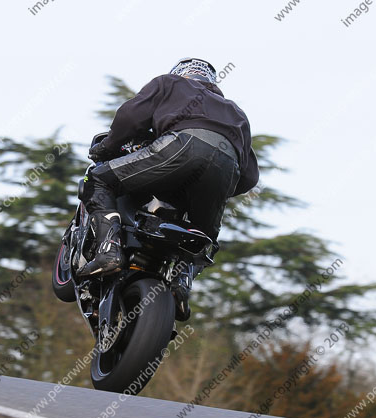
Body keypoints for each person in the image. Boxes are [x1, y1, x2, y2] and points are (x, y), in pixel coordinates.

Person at [79, 58, 260, 318]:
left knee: (98, 179)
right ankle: (181, 283)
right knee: (203, 238)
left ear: (180, 73)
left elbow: (130, 117)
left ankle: (109, 251)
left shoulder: (170, 82)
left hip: (182, 146)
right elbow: (250, 176)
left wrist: (107, 147)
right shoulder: (235, 111)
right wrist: (208, 187)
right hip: (226, 170)